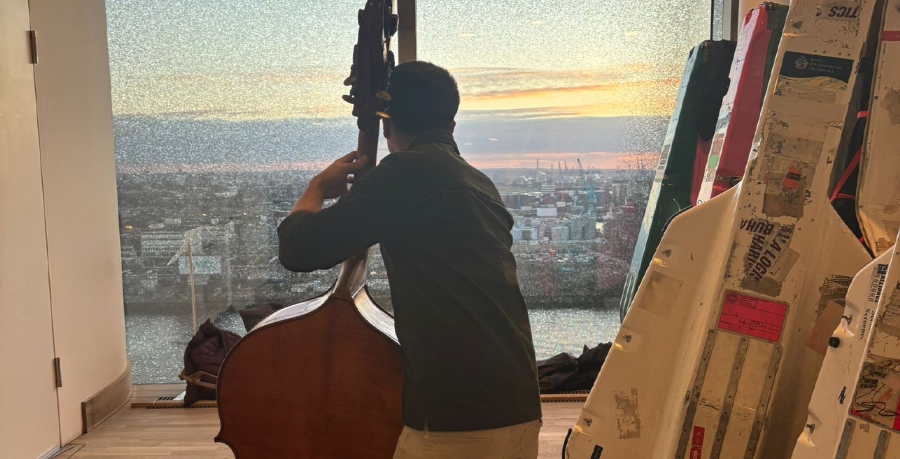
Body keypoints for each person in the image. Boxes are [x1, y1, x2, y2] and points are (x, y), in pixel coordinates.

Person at [278, 61, 542, 459]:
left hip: (459, 414)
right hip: (516, 400)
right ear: (451, 126)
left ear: (386, 126)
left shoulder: (407, 171)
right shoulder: (478, 182)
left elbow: (298, 249)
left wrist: (316, 188)